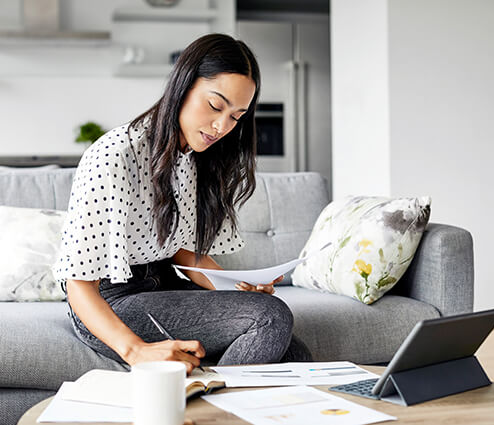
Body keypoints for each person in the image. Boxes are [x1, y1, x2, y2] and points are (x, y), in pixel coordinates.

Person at [53, 33, 312, 374]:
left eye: (236, 116)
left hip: (162, 286)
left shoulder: (196, 157)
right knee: (270, 317)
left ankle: (208, 403)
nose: (222, 126)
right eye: (215, 106)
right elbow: (78, 284)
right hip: (108, 304)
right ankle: (200, 407)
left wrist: (238, 288)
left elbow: (183, 253)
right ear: (183, 86)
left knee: (294, 353)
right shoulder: (115, 154)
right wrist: (135, 351)